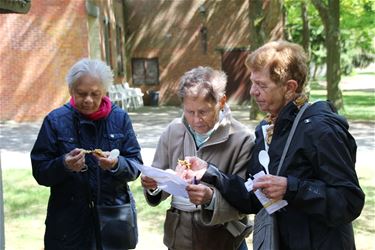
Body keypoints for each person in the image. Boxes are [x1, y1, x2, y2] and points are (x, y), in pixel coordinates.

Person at [190, 41, 365, 249]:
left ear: (290, 87)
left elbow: (349, 201)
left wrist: (291, 188)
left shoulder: (321, 129)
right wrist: (210, 172)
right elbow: (253, 198)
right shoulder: (266, 128)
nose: (253, 91)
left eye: (262, 85)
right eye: (252, 82)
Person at [31, 58, 142, 249]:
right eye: (82, 93)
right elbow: (40, 171)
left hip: (112, 220)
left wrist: (116, 165)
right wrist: (63, 165)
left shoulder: (120, 118)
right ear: (71, 91)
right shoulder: (55, 121)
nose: (88, 100)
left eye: (95, 94)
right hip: (68, 224)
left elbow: (135, 166)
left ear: (105, 92)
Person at [140, 66, 254, 250]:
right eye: (189, 112)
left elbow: (245, 200)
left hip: (223, 239)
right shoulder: (173, 131)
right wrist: (153, 186)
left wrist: (210, 198)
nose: (196, 120)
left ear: (222, 102)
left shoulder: (242, 138)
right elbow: (159, 176)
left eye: (203, 112)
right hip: (180, 237)